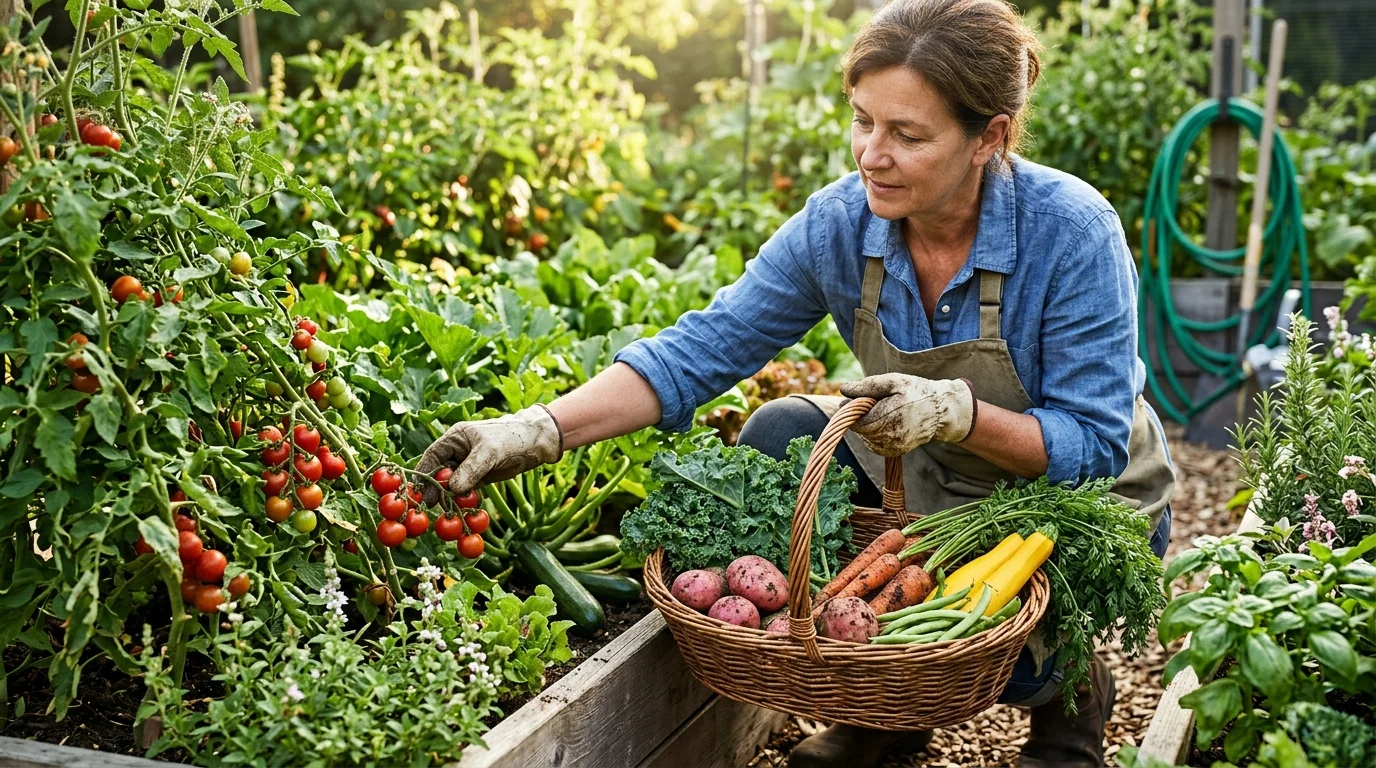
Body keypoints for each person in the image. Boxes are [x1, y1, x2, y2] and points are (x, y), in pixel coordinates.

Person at [416, 0, 1175, 764]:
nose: (871, 155)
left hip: (1073, 504)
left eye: (907, 135)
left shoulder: (1072, 234)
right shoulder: (842, 223)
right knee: (781, 432)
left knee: (1004, 658)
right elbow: (702, 348)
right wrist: (539, 429)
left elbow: (1093, 445)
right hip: (925, 480)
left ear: (991, 137)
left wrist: (955, 410)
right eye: (862, 121)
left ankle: (1071, 695)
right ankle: (889, 713)